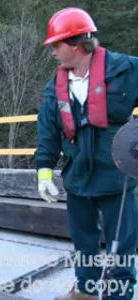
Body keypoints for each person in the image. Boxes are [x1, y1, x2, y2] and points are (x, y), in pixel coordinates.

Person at [35, 7, 138, 300]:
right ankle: (86, 291)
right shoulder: (52, 89)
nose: (52, 51)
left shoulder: (127, 70)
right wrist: (44, 172)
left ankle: (120, 295)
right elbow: (47, 133)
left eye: (56, 44)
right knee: (84, 242)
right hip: (78, 176)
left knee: (122, 245)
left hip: (117, 177)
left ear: (77, 44)